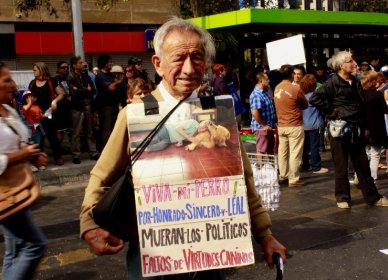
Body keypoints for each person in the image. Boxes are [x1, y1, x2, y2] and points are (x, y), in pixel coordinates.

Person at [80, 17, 286, 280]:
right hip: (153, 260)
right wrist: (88, 227)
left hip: (210, 260)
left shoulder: (218, 112)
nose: (189, 68)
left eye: (197, 57)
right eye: (179, 58)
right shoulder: (134, 114)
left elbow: (243, 181)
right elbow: (101, 176)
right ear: (158, 63)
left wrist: (265, 235)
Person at [310, 51, 388, 209]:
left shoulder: (356, 82)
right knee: (341, 166)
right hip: (339, 130)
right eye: (351, 61)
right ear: (341, 66)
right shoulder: (331, 83)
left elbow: (361, 104)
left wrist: (365, 127)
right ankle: (342, 197)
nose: (355, 64)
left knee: (362, 164)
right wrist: (331, 111)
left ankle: (373, 197)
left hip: (356, 129)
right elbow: (315, 98)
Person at [0, 61, 48, 280]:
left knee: (15, 250)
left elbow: (19, 140)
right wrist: (21, 156)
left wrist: (33, 154)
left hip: (16, 189)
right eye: (6, 80)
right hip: (4, 192)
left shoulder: (8, 109)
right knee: (34, 245)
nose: (12, 84)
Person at [273, 64, 308, 187]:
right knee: (295, 153)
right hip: (294, 125)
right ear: (291, 75)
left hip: (281, 125)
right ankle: (293, 179)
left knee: (282, 152)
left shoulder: (277, 88)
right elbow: (305, 105)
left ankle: (283, 175)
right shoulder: (295, 89)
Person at [28, 62, 65, 165]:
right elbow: (28, 97)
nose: (33, 71)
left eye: (35, 70)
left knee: (52, 135)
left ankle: (58, 156)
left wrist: (54, 101)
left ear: (41, 70)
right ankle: (38, 159)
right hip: (36, 114)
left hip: (49, 112)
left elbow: (61, 94)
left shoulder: (51, 81)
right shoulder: (32, 83)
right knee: (38, 136)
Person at [67, 56, 99, 164]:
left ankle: (93, 152)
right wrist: (86, 89)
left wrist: (81, 90)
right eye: (80, 63)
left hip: (88, 105)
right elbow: (73, 92)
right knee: (76, 131)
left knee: (89, 130)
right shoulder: (70, 76)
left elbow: (93, 90)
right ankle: (76, 155)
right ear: (74, 65)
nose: (82, 64)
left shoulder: (86, 76)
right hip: (77, 106)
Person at [360, 70, 388, 182]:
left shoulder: (359, 94)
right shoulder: (377, 95)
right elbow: (386, 110)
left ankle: (359, 177)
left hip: (362, 127)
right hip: (376, 128)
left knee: (363, 154)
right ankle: (372, 178)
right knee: (375, 154)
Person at [94, 55, 124, 151]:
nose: (111, 64)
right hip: (105, 106)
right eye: (110, 62)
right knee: (106, 129)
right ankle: (105, 150)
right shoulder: (100, 76)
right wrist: (119, 82)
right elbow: (111, 88)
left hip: (114, 104)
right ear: (105, 63)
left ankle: (113, 149)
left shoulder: (111, 75)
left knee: (113, 128)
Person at [300, 74, 328, 174]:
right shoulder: (315, 96)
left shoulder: (301, 95)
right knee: (314, 146)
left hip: (303, 124)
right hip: (314, 124)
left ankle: (305, 165)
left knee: (305, 147)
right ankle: (316, 166)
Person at [250, 72, 276, 167]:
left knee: (269, 148)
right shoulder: (256, 94)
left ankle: (272, 168)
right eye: (267, 79)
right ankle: (261, 169)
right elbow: (255, 112)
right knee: (261, 149)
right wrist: (263, 125)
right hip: (261, 127)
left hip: (269, 126)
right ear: (261, 81)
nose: (269, 81)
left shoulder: (265, 92)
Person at [21, 90, 46, 171]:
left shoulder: (37, 107)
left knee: (37, 147)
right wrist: (29, 102)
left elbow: (41, 116)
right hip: (30, 131)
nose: (30, 98)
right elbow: (26, 109)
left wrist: (49, 112)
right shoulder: (24, 107)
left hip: (38, 130)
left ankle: (38, 163)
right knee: (30, 147)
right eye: (27, 97)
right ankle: (31, 164)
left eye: (31, 96)